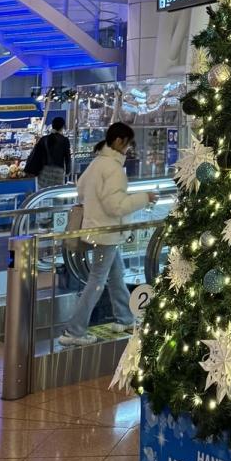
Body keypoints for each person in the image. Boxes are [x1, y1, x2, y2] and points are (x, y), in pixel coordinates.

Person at [59, 121, 157, 346]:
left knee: (116, 274)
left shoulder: (97, 163)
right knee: (97, 281)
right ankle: (74, 331)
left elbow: (81, 189)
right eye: (128, 143)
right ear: (120, 141)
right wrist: (144, 198)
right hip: (108, 232)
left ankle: (125, 317)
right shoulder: (113, 169)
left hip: (97, 230)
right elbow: (116, 207)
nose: (129, 149)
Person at [25, 116, 72, 189]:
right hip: (58, 172)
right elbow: (67, 157)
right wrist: (68, 171)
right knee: (56, 192)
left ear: (52, 125)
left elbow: (36, 155)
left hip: (44, 171)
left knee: (43, 193)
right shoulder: (65, 140)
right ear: (62, 127)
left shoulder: (44, 139)